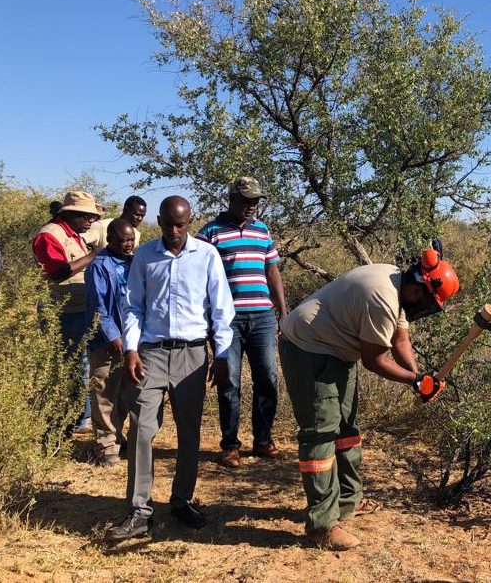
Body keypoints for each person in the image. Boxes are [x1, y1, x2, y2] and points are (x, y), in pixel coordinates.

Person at [279, 249, 460, 550]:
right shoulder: (383, 299)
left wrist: (419, 380)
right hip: (308, 348)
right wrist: (414, 380)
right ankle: (321, 526)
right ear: (418, 290)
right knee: (321, 433)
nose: (427, 309)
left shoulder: (397, 284)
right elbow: (374, 360)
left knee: (347, 429)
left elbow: (400, 339)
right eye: (429, 303)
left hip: (335, 350)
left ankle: (348, 501)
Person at [106, 196, 235, 542]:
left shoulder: (207, 255)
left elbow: (221, 309)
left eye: (181, 224)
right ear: (159, 221)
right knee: (141, 431)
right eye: (168, 224)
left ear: (190, 221)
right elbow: (132, 306)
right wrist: (131, 349)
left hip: (192, 354)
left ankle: (181, 500)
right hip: (150, 354)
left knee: (189, 430)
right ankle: (139, 510)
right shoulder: (145, 255)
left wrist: (222, 356)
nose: (175, 231)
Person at [197, 177, 288, 468]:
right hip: (227, 320)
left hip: (262, 316)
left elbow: (272, 271)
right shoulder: (210, 232)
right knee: (229, 381)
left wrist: (283, 311)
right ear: (231, 198)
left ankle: (263, 441)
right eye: (246, 200)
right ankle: (230, 445)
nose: (251, 206)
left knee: (267, 379)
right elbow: (199, 277)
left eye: (256, 201)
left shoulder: (262, 230)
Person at [32, 191, 104, 433]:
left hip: (78, 308)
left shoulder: (74, 235)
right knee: (68, 365)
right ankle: (68, 419)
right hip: (61, 311)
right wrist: (94, 255)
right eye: (86, 217)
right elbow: (58, 272)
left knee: (80, 364)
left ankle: (79, 418)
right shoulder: (49, 235)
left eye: (92, 218)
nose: (90, 222)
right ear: (71, 214)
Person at [84, 219, 137, 467]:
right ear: (110, 239)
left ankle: (116, 433)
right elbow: (99, 308)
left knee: (126, 392)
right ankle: (105, 445)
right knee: (104, 392)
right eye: (123, 240)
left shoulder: (134, 262)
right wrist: (113, 336)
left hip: (132, 340)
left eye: (131, 240)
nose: (128, 244)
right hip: (106, 341)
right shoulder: (99, 266)